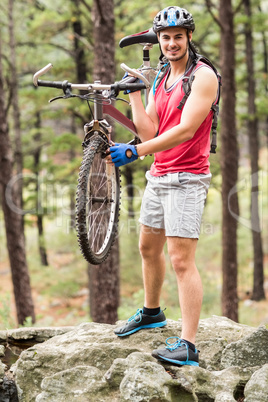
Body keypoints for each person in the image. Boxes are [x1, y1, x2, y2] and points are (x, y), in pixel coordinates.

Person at [106, 6, 219, 367]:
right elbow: (150, 131)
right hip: (159, 174)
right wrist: (136, 93)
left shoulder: (203, 77)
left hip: (187, 178)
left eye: (178, 37)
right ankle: (152, 311)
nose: (171, 43)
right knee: (147, 247)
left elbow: (184, 130)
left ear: (189, 37)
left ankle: (187, 345)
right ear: (158, 40)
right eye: (165, 37)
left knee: (181, 260)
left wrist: (136, 152)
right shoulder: (161, 78)